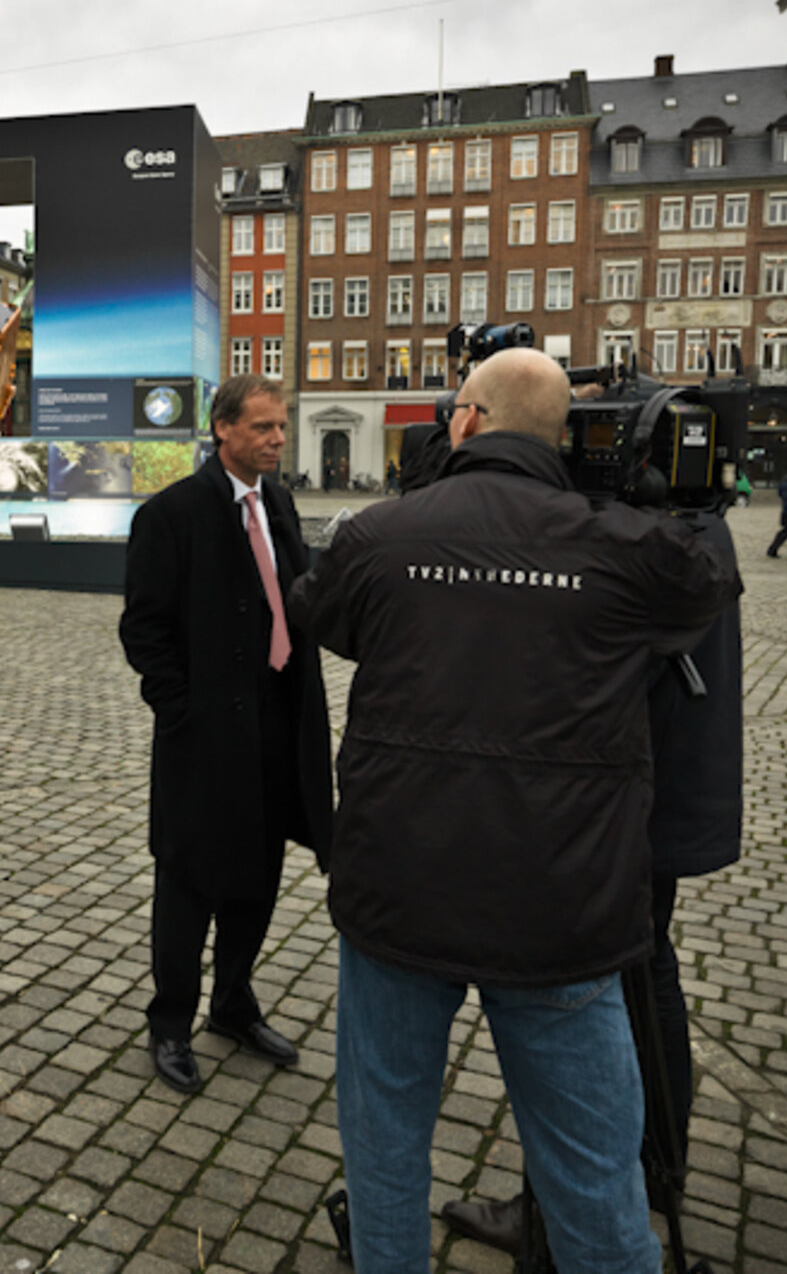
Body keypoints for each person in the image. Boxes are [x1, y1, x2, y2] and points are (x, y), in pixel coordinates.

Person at [288, 349, 740, 1274]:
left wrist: (418, 507)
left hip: (396, 898)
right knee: (592, 1178)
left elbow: (317, 612)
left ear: (463, 422)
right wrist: (652, 500)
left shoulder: (383, 537)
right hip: (562, 909)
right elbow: (704, 587)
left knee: (384, 1156)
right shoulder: (624, 547)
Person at [442, 513, 746, 1255]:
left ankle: (577, 1203)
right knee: (651, 968)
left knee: (598, 991)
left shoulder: (625, 520)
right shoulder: (688, 513)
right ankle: (651, 1173)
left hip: (614, 796)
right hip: (658, 786)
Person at [118, 373, 334, 1094]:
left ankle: (233, 1003)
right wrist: (182, 711)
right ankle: (171, 1021)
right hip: (204, 737)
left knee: (259, 874)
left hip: (276, 724)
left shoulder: (279, 501)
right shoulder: (172, 514)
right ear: (223, 430)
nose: (278, 440)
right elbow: (144, 631)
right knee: (188, 882)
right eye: (265, 428)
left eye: (282, 427)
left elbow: (292, 597)